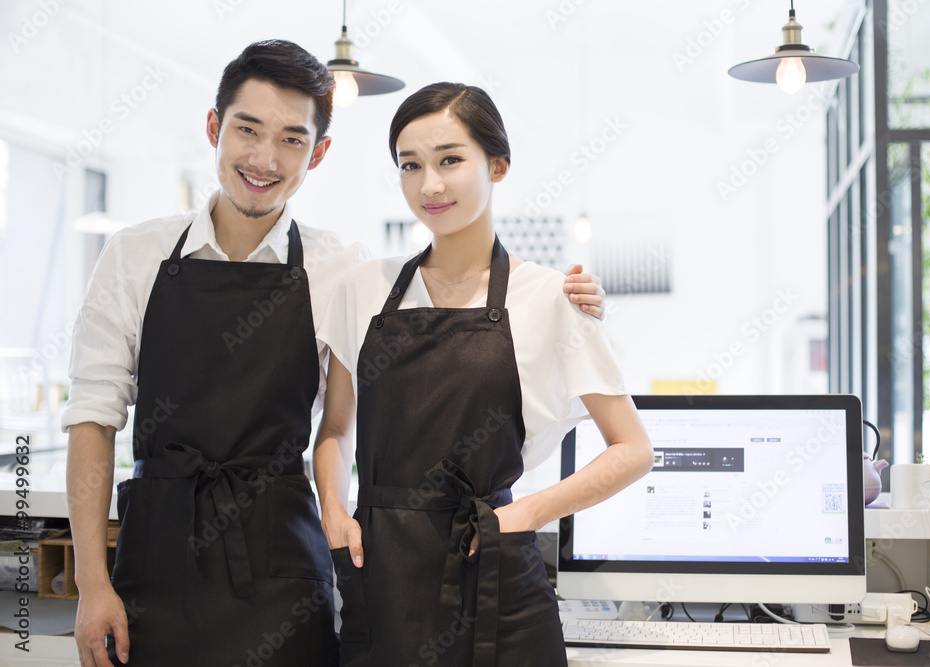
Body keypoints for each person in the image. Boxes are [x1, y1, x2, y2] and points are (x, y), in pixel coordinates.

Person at [62, 43, 606, 667]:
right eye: (247, 130)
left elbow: (403, 375)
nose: (264, 159)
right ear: (214, 128)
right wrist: (90, 583)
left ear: (317, 153)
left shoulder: (338, 269)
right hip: (152, 565)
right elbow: (93, 417)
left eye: (292, 139)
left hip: (283, 572)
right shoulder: (134, 256)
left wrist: (573, 308)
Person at [314, 83, 654, 666]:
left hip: (495, 574)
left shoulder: (551, 297)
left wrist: (524, 513)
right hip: (380, 579)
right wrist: (333, 512)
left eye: (450, 160)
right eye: (410, 166)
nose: (430, 185)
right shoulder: (363, 288)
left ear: (497, 165)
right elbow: (337, 427)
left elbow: (633, 449)